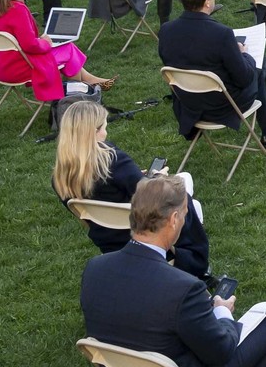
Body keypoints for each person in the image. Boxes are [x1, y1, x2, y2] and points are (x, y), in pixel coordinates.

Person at [81, 176, 266, 367]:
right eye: (185, 215)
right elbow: (220, 351)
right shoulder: (183, 288)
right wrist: (222, 312)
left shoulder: (95, 270)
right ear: (174, 220)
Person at [54, 100, 210, 278]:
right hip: (147, 233)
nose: (106, 133)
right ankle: (194, 262)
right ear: (93, 132)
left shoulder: (61, 177)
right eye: (103, 128)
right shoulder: (112, 160)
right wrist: (158, 177)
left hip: (112, 242)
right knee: (185, 187)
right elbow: (147, 194)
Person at [158, 0, 266, 147]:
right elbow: (243, 78)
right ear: (207, 2)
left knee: (260, 69)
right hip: (222, 105)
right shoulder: (221, 34)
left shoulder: (166, 30)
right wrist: (244, 54)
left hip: (188, 103)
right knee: (259, 70)